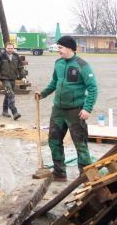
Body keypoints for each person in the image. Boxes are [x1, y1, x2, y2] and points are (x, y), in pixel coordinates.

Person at [36, 35, 98, 181]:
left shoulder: (82, 65)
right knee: (54, 141)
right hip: (58, 110)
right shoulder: (58, 63)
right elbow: (54, 82)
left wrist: (87, 108)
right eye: (58, 48)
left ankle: (85, 176)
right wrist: (43, 94)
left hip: (75, 111)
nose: (58, 51)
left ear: (69, 48)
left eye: (60, 48)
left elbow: (93, 88)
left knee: (80, 144)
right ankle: (59, 173)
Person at [0, 42, 24, 120]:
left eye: (12, 48)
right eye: (9, 48)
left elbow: (20, 67)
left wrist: (23, 77)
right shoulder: (1, 56)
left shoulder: (16, 56)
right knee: (10, 94)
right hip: (4, 79)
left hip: (13, 79)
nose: (10, 50)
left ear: (13, 48)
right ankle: (15, 112)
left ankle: (4, 111)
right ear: (5, 48)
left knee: (8, 95)